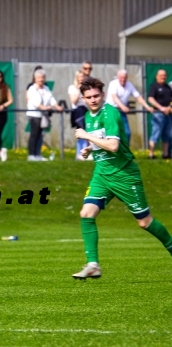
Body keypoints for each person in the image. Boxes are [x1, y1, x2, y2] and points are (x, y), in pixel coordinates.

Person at [72, 76, 172, 279]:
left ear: (102, 94)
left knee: (144, 222)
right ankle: (93, 265)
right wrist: (90, 149)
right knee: (86, 214)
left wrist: (86, 137)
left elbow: (113, 146)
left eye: (96, 95)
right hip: (102, 174)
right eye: (89, 97)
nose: (93, 100)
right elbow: (103, 140)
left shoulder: (110, 113)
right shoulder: (90, 116)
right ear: (83, 98)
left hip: (124, 174)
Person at [106, 69, 153, 147]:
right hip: (110, 111)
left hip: (121, 112)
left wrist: (147, 107)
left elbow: (138, 97)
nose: (123, 79)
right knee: (112, 133)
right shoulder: (113, 84)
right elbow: (115, 98)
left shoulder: (129, 85)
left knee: (127, 133)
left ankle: (124, 152)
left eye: (125, 77)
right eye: (121, 77)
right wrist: (123, 107)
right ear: (118, 77)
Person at [26, 70, 63, 161]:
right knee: (34, 134)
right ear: (35, 78)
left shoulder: (46, 88)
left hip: (43, 116)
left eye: (42, 77)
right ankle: (31, 155)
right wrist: (43, 107)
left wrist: (57, 106)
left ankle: (38, 154)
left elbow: (51, 99)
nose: (41, 79)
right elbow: (34, 101)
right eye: (39, 78)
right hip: (34, 115)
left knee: (40, 135)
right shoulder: (32, 88)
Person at [147, 69, 172, 159]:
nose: (163, 77)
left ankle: (166, 154)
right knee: (156, 134)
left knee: (167, 135)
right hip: (158, 114)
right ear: (157, 76)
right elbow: (150, 99)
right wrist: (161, 108)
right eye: (161, 75)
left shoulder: (168, 87)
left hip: (168, 115)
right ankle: (151, 154)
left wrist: (169, 108)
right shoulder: (154, 86)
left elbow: (171, 100)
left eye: (164, 75)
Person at [69, 71, 89, 160]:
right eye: (79, 77)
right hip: (77, 112)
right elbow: (73, 101)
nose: (81, 78)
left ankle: (85, 153)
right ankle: (79, 153)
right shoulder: (72, 88)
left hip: (86, 111)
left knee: (87, 132)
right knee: (81, 133)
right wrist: (79, 89)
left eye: (82, 77)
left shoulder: (86, 88)